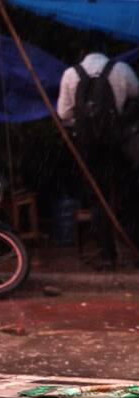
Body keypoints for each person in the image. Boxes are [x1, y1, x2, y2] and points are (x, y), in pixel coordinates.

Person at [57, 52, 139, 269]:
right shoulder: (121, 69)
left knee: (97, 199)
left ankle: (107, 256)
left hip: (89, 148)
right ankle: (133, 250)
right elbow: (136, 95)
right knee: (128, 196)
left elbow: (64, 114)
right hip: (120, 145)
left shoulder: (70, 74)